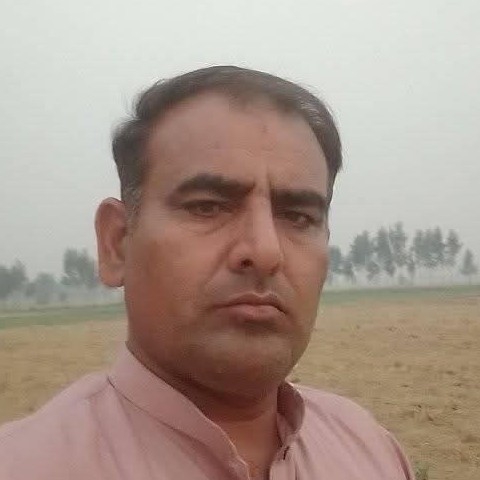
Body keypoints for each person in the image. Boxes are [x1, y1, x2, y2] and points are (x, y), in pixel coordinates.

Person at [0, 66, 414, 480]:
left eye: (298, 216)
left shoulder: (371, 452)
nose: (266, 251)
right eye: (207, 206)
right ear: (117, 242)